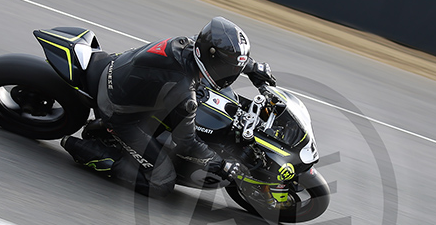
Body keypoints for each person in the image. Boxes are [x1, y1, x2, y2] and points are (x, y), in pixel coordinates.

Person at [60, 16, 276, 197]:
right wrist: (221, 164)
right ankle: (88, 151)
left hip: (124, 74)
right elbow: (187, 143)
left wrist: (252, 67)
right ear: (209, 56)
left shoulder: (192, 45)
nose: (229, 72)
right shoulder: (183, 91)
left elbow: (223, 54)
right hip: (119, 110)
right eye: (225, 67)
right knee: (162, 182)